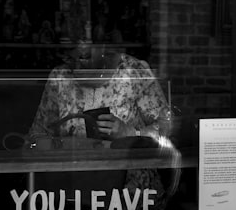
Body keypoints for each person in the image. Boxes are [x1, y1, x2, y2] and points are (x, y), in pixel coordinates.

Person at [29, 42, 170, 142]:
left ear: (102, 47)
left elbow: (167, 128)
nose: (77, 66)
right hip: (74, 174)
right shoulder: (60, 76)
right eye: (70, 59)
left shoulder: (132, 71)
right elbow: (40, 132)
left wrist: (130, 133)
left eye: (85, 57)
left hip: (127, 173)